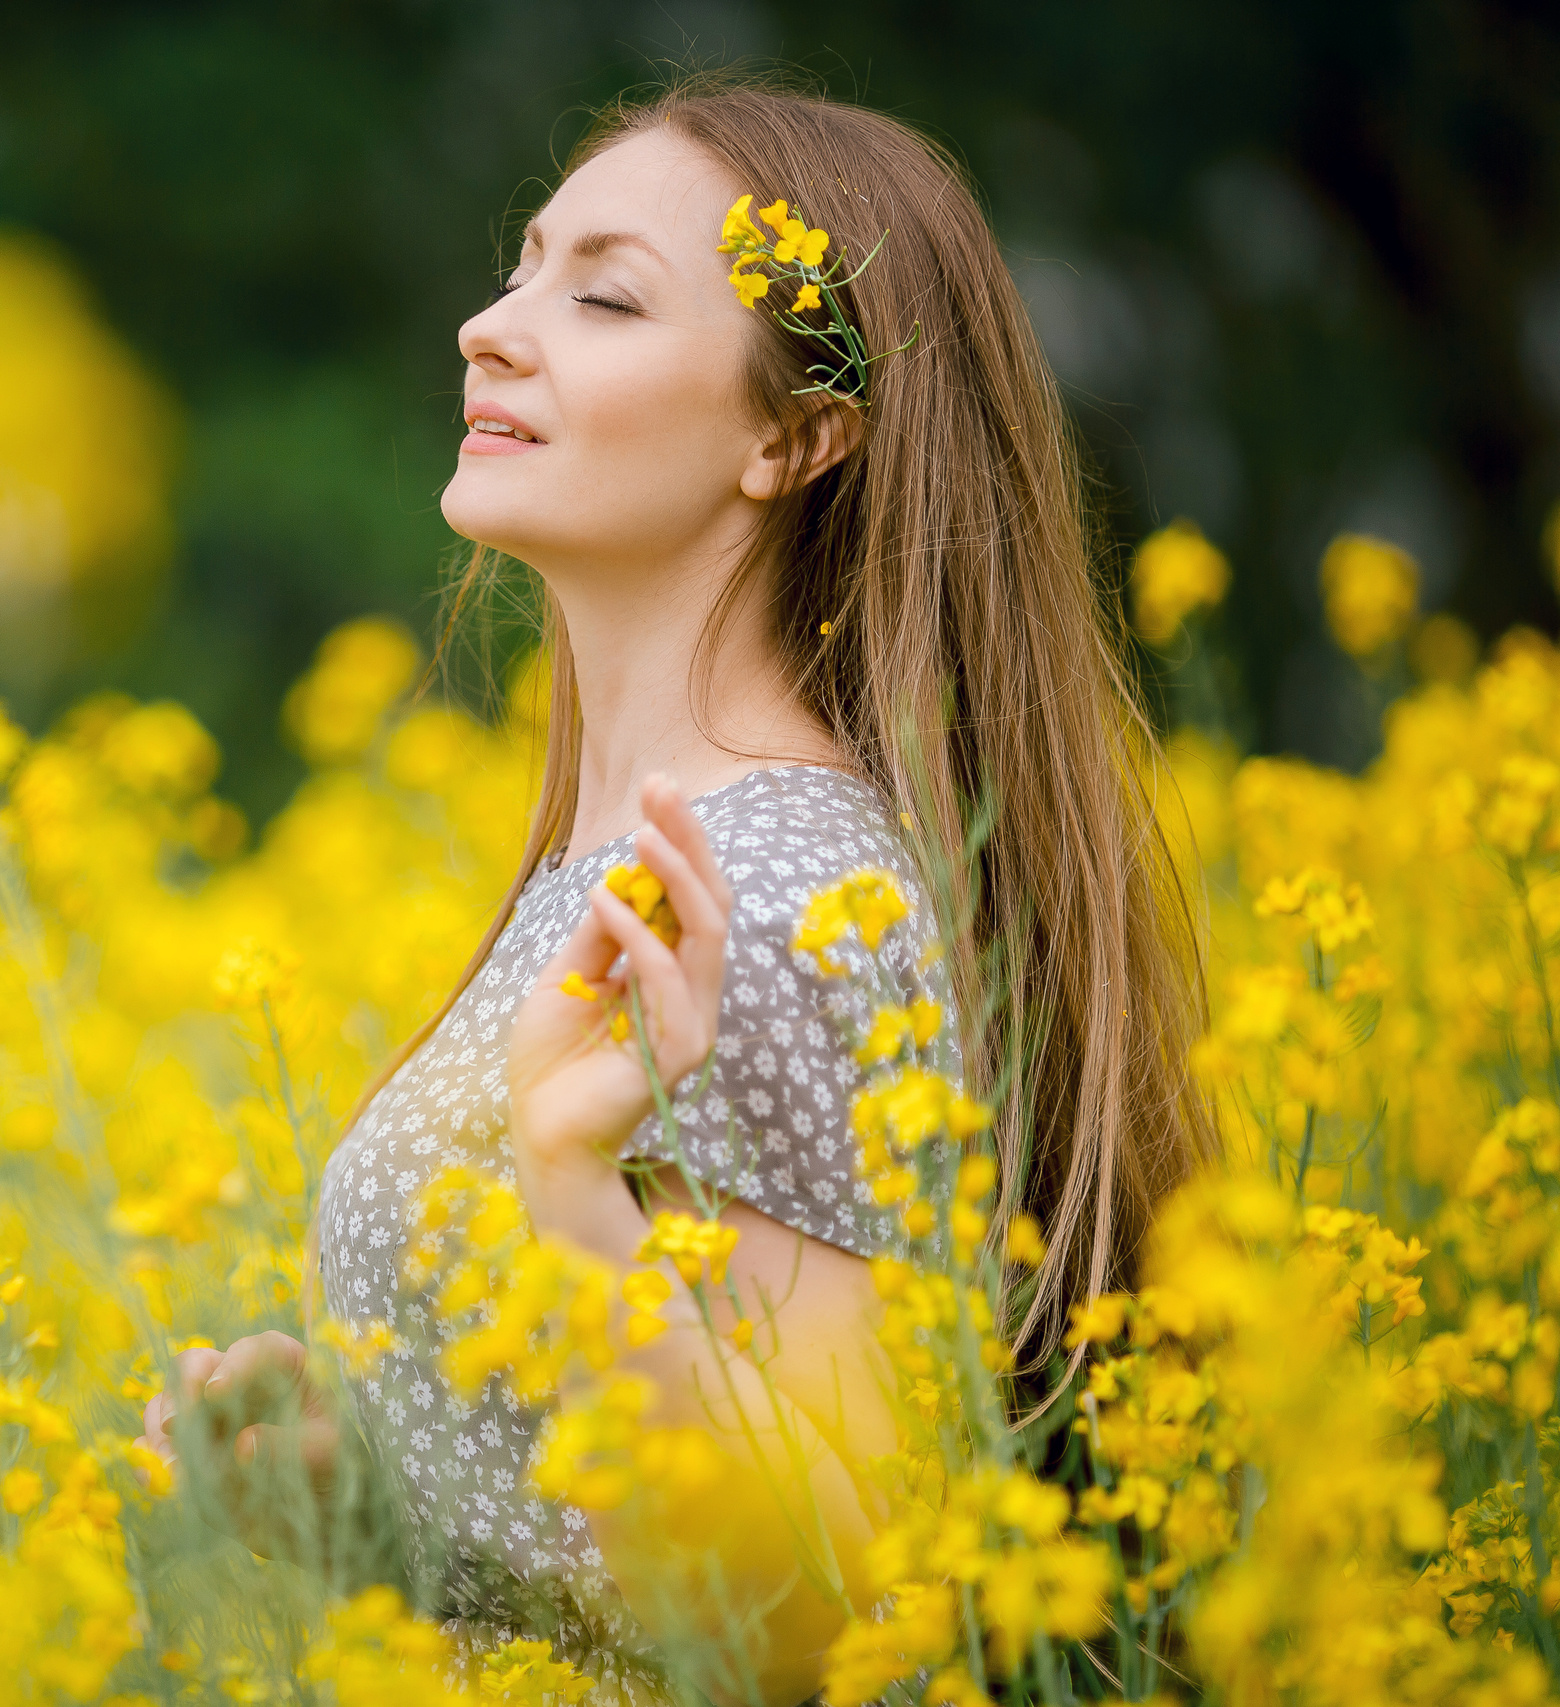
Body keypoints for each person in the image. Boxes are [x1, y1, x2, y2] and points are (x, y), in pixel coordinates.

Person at [141, 73, 1210, 1704]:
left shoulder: (772, 904)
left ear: (796, 435)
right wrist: (366, 1521)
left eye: (606, 296)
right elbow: (615, 1553)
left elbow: (823, 1621)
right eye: (521, 266)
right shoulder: (642, 866)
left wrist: (577, 1198)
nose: (489, 329)